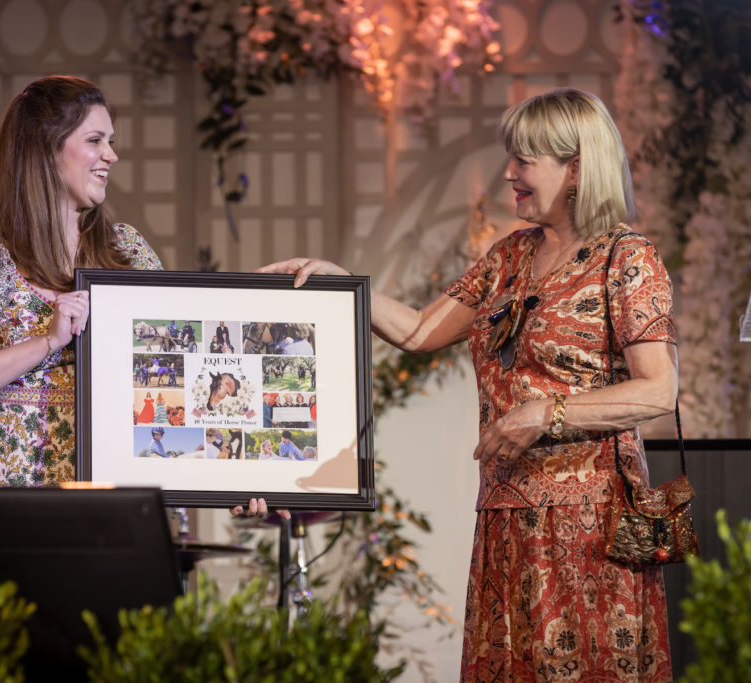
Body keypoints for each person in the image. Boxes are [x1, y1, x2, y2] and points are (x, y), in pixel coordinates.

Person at [258, 88, 676, 681]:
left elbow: (658, 391)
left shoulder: (626, 258)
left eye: (524, 160)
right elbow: (421, 330)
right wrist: (342, 283)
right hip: (505, 516)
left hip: (589, 527)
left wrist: (544, 414)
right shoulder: (509, 257)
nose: (509, 174)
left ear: (577, 167)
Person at [0, 75, 162, 487]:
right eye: (95, 140)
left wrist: (254, 291)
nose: (111, 156)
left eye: (111, 142)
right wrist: (47, 342)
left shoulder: (127, 250)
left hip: (110, 481)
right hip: (9, 480)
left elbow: (181, 353)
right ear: (47, 148)